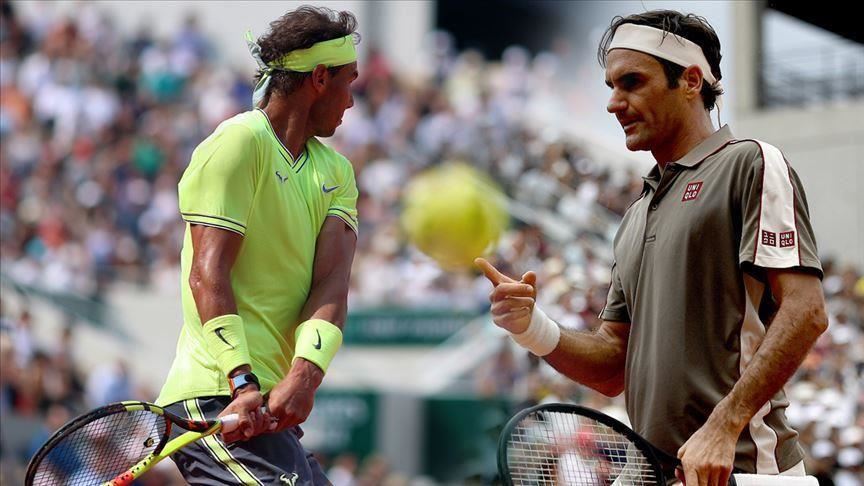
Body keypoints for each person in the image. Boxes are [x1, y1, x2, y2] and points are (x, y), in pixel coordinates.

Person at [477, 9, 828, 486]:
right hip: (656, 474)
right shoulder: (635, 214)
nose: (613, 103)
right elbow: (611, 365)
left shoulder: (751, 163)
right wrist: (530, 327)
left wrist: (723, 427)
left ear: (691, 81)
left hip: (747, 470)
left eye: (632, 83)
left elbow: (806, 312)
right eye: (611, 86)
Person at [155, 6, 360, 485]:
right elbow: (207, 274)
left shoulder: (337, 172)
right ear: (320, 78)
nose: (352, 101)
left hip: (266, 407)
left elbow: (331, 287)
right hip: (216, 395)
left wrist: (304, 375)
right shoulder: (238, 141)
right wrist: (242, 381)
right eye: (349, 81)